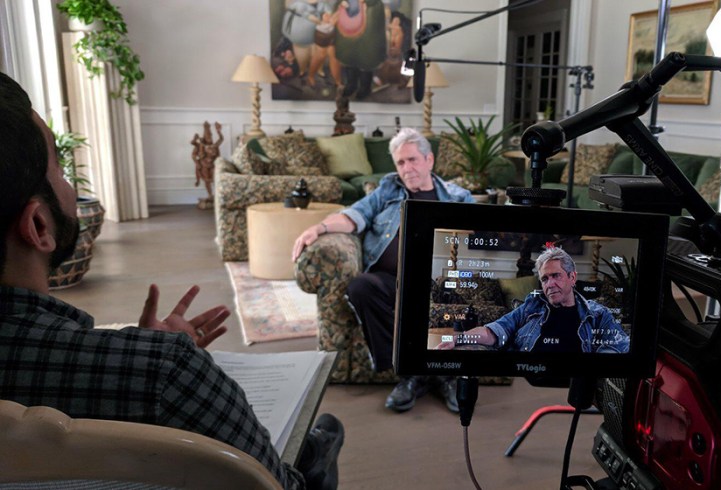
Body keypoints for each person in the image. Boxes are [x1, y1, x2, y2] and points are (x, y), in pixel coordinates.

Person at [0, 72, 342, 490]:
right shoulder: (170, 373)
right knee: (308, 464)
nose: (71, 186)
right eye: (61, 168)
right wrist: (148, 359)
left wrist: (135, 352)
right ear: (38, 225)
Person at [292, 128, 475, 413]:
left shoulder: (458, 197)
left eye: (412, 160)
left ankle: (445, 375)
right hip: (392, 281)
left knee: (459, 291)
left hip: (438, 282)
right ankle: (412, 373)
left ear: (429, 160)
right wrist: (320, 227)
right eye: (400, 162)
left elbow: (475, 242)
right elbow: (355, 215)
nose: (407, 168)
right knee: (361, 287)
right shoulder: (388, 190)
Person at [438, 247, 630, 353]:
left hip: (573, 386)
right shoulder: (532, 305)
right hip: (529, 380)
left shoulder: (597, 314)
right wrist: (459, 338)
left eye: (556, 276)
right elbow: (495, 330)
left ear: (572, 277)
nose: (550, 284)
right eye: (545, 279)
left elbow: (621, 347)